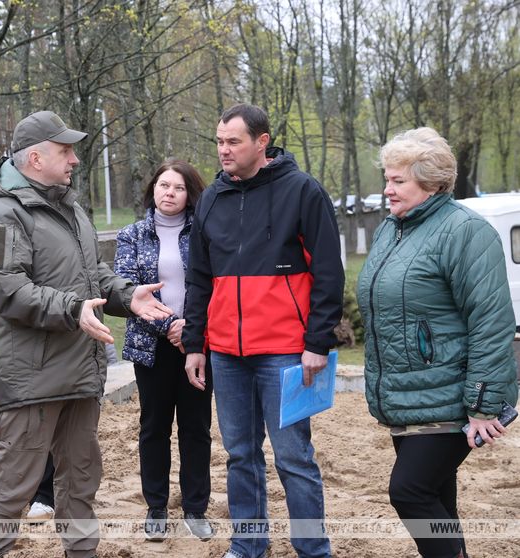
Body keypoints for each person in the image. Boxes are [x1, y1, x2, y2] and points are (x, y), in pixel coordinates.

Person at [0, 110, 172, 558]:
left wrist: (128, 296)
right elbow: (4, 287)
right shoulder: (0, 214)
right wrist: (71, 309)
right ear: (35, 158)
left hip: (79, 370)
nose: (75, 159)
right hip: (32, 377)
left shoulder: (69, 208)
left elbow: (91, 274)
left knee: (81, 477)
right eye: (65, 151)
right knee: (14, 483)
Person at [182, 103, 343, 558]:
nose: (224, 150)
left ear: (262, 141)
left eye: (233, 141)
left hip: (286, 351)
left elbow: (329, 273)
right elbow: (199, 278)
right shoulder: (211, 198)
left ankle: (313, 549)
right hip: (226, 354)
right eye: (219, 141)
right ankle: (248, 544)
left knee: (293, 458)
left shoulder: (303, 191)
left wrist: (318, 342)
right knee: (240, 455)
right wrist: (195, 344)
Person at [356, 127, 518, 558]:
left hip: (452, 395)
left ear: (431, 183)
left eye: (398, 181)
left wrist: (482, 404)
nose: (387, 190)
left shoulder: (466, 231)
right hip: (407, 395)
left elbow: (491, 322)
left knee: (409, 491)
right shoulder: (392, 229)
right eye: (387, 179)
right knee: (438, 501)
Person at [114, 159, 213, 542]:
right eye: (163, 185)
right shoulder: (132, 234)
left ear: (190, 194)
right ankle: (156, 507)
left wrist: (191, 330)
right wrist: (169, 325)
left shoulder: (204, 231)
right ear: (152, 189)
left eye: (178, 187)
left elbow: (213, 284)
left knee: (195, 428)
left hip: (197, 346)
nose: (169, 193)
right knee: (154, 427)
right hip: (151, 347)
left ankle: (195, 508)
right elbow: (126, 290)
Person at [0, 298, 57, 523]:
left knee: (38, 419)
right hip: (1, 342)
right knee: (1, 422)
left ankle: (44, 494)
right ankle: (18, 489)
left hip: (34, 340)